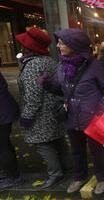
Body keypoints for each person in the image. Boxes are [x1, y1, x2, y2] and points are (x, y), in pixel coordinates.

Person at [38, 28, 104, 195]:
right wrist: (49, 86)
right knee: (76, 150)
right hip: (71, 117)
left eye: (62, 43)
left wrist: (103, 105)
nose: (58, 45)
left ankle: (102, 178)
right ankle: (79, 177)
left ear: (74, 45)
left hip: (92, 117)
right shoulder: (62, 66)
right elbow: (61, 91)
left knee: (96, 150)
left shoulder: (95, 66)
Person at [15, 27, 72, 189]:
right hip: (52, 110)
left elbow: (33, 96)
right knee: (58, 139)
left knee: (42, 144)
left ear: (29, 47)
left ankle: (55, 174)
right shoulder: (48, 61)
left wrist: (27, 116)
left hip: (40, 114)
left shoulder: (32, 65)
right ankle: (67, 167)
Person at [0, 69, 22, 190]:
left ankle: (14, 177)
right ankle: (12, 173)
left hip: (2, 114)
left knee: (2, 147)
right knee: (5, 144)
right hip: (5, 111)